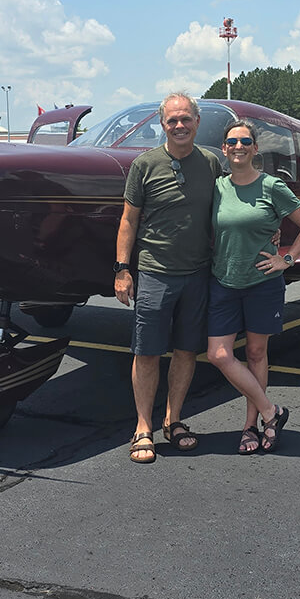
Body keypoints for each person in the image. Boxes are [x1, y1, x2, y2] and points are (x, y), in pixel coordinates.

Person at [114, 93, 223, 464]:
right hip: (155, 273)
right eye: (172, 120)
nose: (179, 125)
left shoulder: (211, 163)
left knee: (187, 350)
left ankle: (173, 420)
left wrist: (269, 229)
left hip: (198, 273)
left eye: (185, 119)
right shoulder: (144, 164)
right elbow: (129, 220)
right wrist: (122, 269)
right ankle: (143, 426)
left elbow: (228, 209)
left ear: (197, 121)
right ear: (162, 125)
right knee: (146, 352)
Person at [206, 121, 300, 454]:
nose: (238, 146)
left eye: (245, 141)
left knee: (256, 353)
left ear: (255, 148)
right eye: (232, 141)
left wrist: (287, 259)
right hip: (224, 281)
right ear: (224, 149)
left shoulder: (272, 186)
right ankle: (272, 412)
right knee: (218, 354)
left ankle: (250, 427)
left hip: (262, 283)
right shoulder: (217, 188)